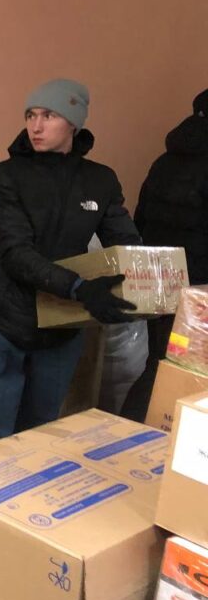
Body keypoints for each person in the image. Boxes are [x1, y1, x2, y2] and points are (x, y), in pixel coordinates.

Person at [0, 79, 142, 453]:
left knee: (38, 432)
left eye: (48, 115)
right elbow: (15, 254)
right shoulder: (6, 176)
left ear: (73, 122)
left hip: (60, 325)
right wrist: (80, 288)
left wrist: (149, 285)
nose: (36, 126)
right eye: (30, 115)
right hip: (5, 319)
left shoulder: (99, 181)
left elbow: (126, 245)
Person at [120, 88, 208, 422]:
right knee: (191, 370)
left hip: (161, 278)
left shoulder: (164, 162)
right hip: (200, 290)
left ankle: (133, 428)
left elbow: (140, 218)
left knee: (159, 360)